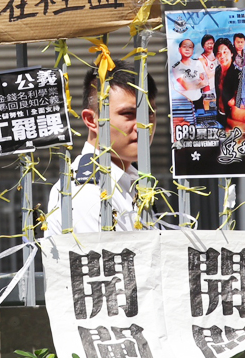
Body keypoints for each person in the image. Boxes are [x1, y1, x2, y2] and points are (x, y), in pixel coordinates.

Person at [44, 60, 159, 233]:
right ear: (92, 120)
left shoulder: (130, 178)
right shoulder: (86, 191)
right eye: (129, 114)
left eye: (148, 113)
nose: (144, 125)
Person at [171, 38, 210, 111]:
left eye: (190, 47)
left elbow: (205, 81)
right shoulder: (176, 67)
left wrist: (193, 84)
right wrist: (198, 83)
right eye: (185, 47)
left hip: (199, 99)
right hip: (185, 102)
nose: (187, 49)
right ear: (179, 49)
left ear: (193, 50)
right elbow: (186, 86)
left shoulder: (197, 63)